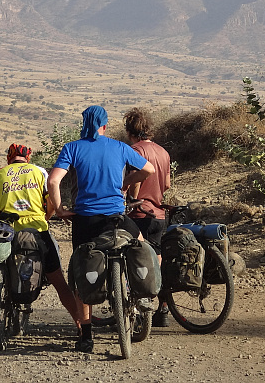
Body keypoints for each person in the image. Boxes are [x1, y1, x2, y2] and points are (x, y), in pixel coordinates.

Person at [47, 105, 155, 353]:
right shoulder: (119, 147)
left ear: (83, 125)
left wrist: (61, 209)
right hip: (116, 218)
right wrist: (126, 182)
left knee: (81, 270)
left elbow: (53, 180)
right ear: (105, 126)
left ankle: (86, 336)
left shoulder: (72, 148)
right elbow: (148, 170)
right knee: (141, 244)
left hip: (85, 220)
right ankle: (142, 296)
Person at [0, 143, 81, 331]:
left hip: (7, 233)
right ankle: (80, 325)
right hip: (37, 232)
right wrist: (45, 217)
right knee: (59, 281)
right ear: (28, 158)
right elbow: (51, 202)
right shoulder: (39, 172)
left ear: (9, 158)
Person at [123, 107, 172, 327]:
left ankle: (137, 311)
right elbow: (168, 184)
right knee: (157, 261)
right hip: (159, 214)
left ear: (130, 130)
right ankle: (161, 309)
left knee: (135, 261)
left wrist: (131, 200)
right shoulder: (163, 152)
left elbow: (135, 181)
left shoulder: (135, 150)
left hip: (140, 212)